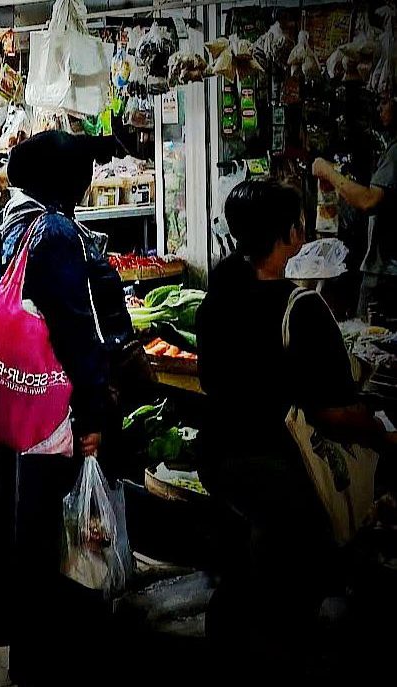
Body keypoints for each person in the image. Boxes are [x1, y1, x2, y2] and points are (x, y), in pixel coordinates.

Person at [197, 178, 397, 683]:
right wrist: (380, 432)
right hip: (277, 466)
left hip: (219, 455)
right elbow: (333, 413)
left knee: (251, 573)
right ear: (291, 234)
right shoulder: (301, 309)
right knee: (287, 584)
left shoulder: (218, 296)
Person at [0, 131, 131, 686]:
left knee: (28, 523)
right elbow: (75, 330)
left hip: (22, 403)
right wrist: (92, 412)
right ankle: (61, 660)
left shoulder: (14, 224)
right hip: (55, 406)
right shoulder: (57, 232)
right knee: (61, 530)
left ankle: (30, 656)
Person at [312, 96, 397, 320]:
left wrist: (328, 172)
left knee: (368, 335)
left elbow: (368, 200)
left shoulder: (394, 152)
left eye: (385, 102)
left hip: (386, 270)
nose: (379, 108)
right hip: (383, 266)